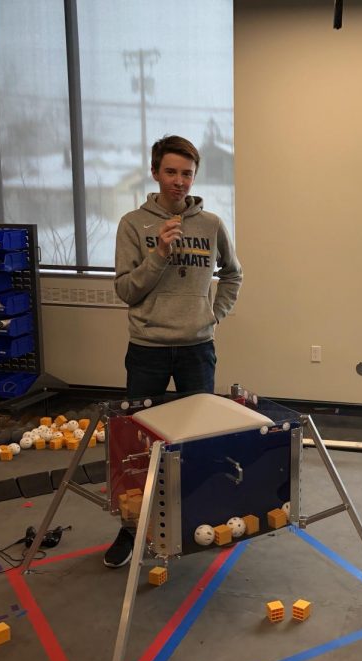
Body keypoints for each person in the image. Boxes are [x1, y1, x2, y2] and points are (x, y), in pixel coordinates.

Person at [104, 134, 243, 568]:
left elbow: (234, 275)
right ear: (155, 173)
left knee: (199, 440)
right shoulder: (133, 224)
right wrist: (160, 253)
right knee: (135, 443)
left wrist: (213, 314)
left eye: (186, 173)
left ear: (194, 177)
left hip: (197, 348)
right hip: (146, 348)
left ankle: (198, 519)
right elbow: (127, 290)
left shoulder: (212, 224)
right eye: (171, 172)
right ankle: (130, 530)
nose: (179, 181)